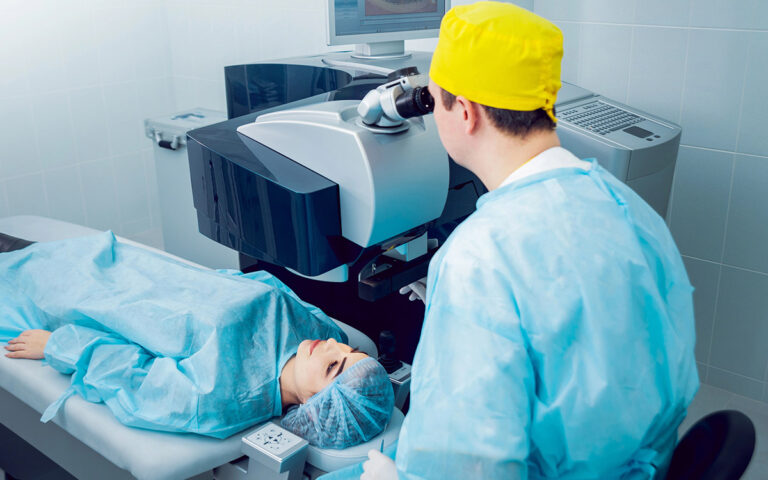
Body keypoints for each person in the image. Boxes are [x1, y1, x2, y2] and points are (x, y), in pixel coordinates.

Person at [358, 2, 698, 479]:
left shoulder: (480, 258)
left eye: (435, 101)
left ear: (468, 113)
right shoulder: (630, 209)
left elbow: (466, 465)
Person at [0, 231, 394, 449]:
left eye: (332, 366)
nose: (331, 346)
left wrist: (57, 345)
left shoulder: (214, 399)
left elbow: (130, 377)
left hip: (66, 300)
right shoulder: (320, 333)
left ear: (314, 404)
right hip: (113, 261)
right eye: (347, 350)